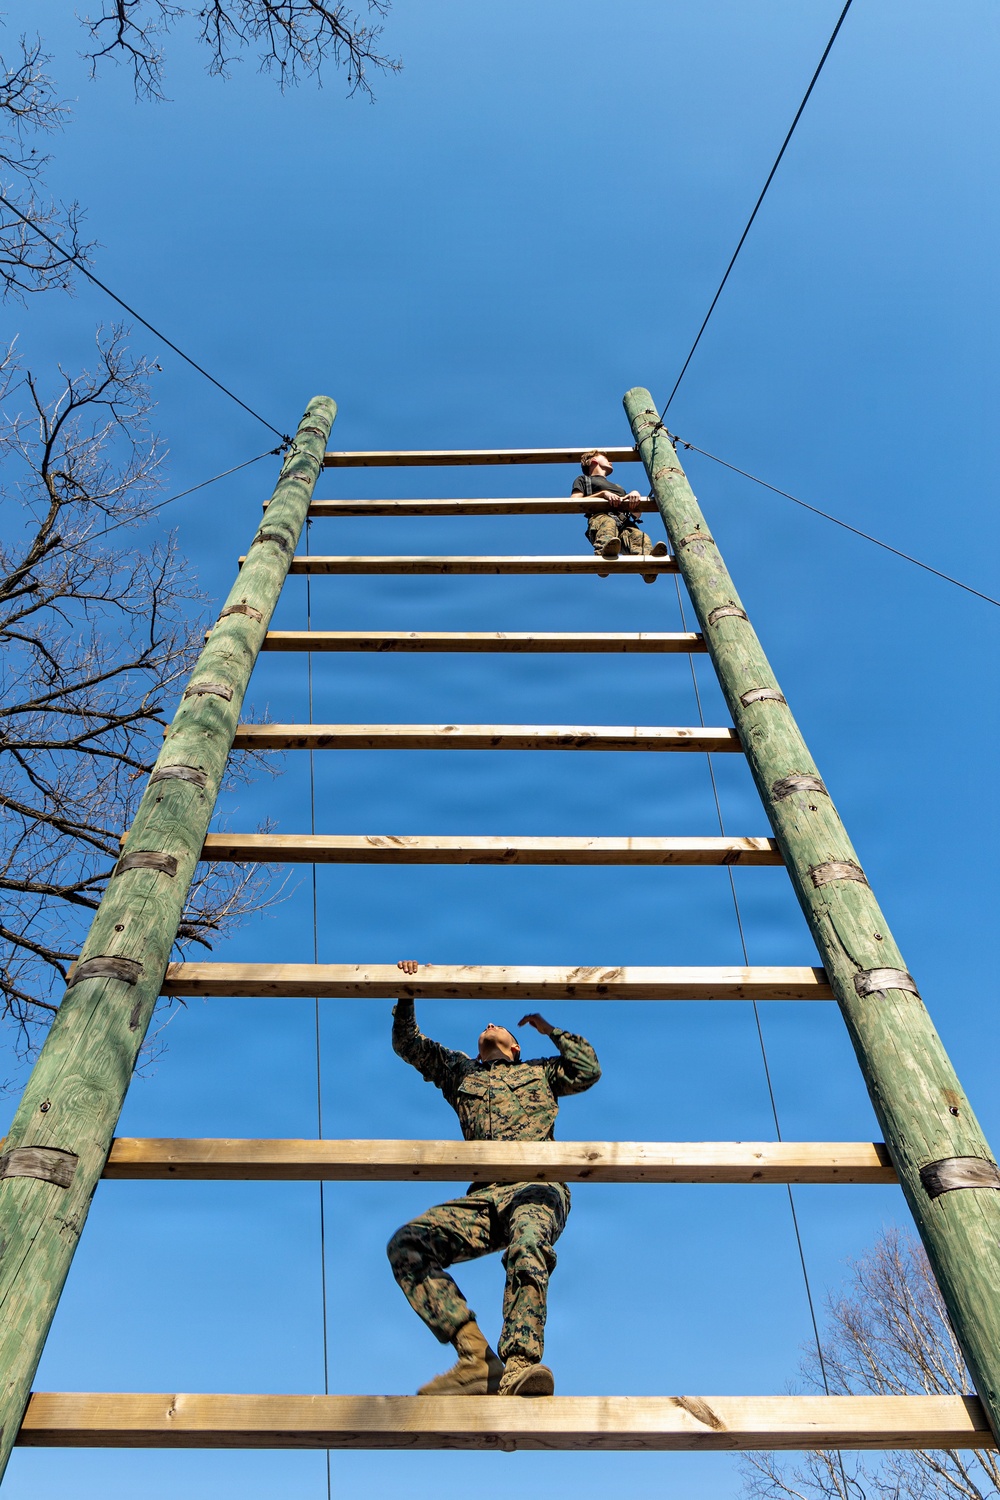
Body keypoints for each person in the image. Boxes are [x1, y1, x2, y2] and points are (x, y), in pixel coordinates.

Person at [386, 960, 601, 1398]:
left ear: (516, 1047)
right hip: (486, 1198)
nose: (487, 1023)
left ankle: (521, 1364)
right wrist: (407, 991)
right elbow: (408, 1044)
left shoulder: (539, 1071)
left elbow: (587, 1069)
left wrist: (550, 1029)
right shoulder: (460, 1072)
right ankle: (476, 1358)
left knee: (528, 1242)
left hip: (536, 1187)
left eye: (497, 1024)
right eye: (484, 1025)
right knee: (408, 1243)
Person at [572, 449, 669, 582]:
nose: (610, 461)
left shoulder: (618, 487)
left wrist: (635, 496)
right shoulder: (584, 480)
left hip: (624, 522)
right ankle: (603, 558)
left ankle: (647, 566)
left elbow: (636, 514)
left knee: (639, 536)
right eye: (605, 459)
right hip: (601, 518)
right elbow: (575, 501)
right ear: (594, 460)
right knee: (608, 523)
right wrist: (603, 494)